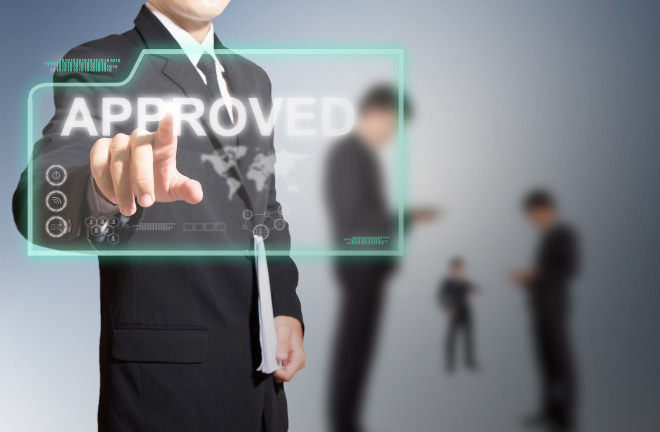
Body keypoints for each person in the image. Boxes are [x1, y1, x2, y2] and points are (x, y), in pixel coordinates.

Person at [12, 1, 305, 430]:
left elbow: (266, 207)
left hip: (260, 380)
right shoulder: (103, 64)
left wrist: (283, 306)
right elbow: (39, 197)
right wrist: (102, 189)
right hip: (167, 388)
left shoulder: (253, 80)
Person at [324, 85, 432, 432]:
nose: (393, 134)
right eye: (393, 124)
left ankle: (348, 420)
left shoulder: (362, 155)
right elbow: (353, 216)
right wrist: (401, 219)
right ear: (375, 113)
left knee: (360, 347)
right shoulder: (349, 153)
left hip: (367, 264)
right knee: (354, 348)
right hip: (359, 262)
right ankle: (344, 422)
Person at [512, 189, 579, 432]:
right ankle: (549, 411)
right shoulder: (545, 238)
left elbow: (570, 268)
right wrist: (528, 279)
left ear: (546, 209)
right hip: (538, 307)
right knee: (544, 362)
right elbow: (544, 274)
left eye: (533, 214)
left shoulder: (565, 234)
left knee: (561, 362)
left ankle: (567, 417)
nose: (532, 220)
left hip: (555, 306)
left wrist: (536, 274)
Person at [439, 257, 479, 373]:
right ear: (453, 269)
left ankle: (469, 361)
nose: (461, 271)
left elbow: (471, 289)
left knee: (468, 337)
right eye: (459, 268)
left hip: (466, 311)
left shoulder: (464, 282)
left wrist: (475, 290)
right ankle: (449, 363)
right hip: (454, 310)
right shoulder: (447, 282)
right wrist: (448, 307)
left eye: (462, 269)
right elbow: (440, 297)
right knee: (452, 338)